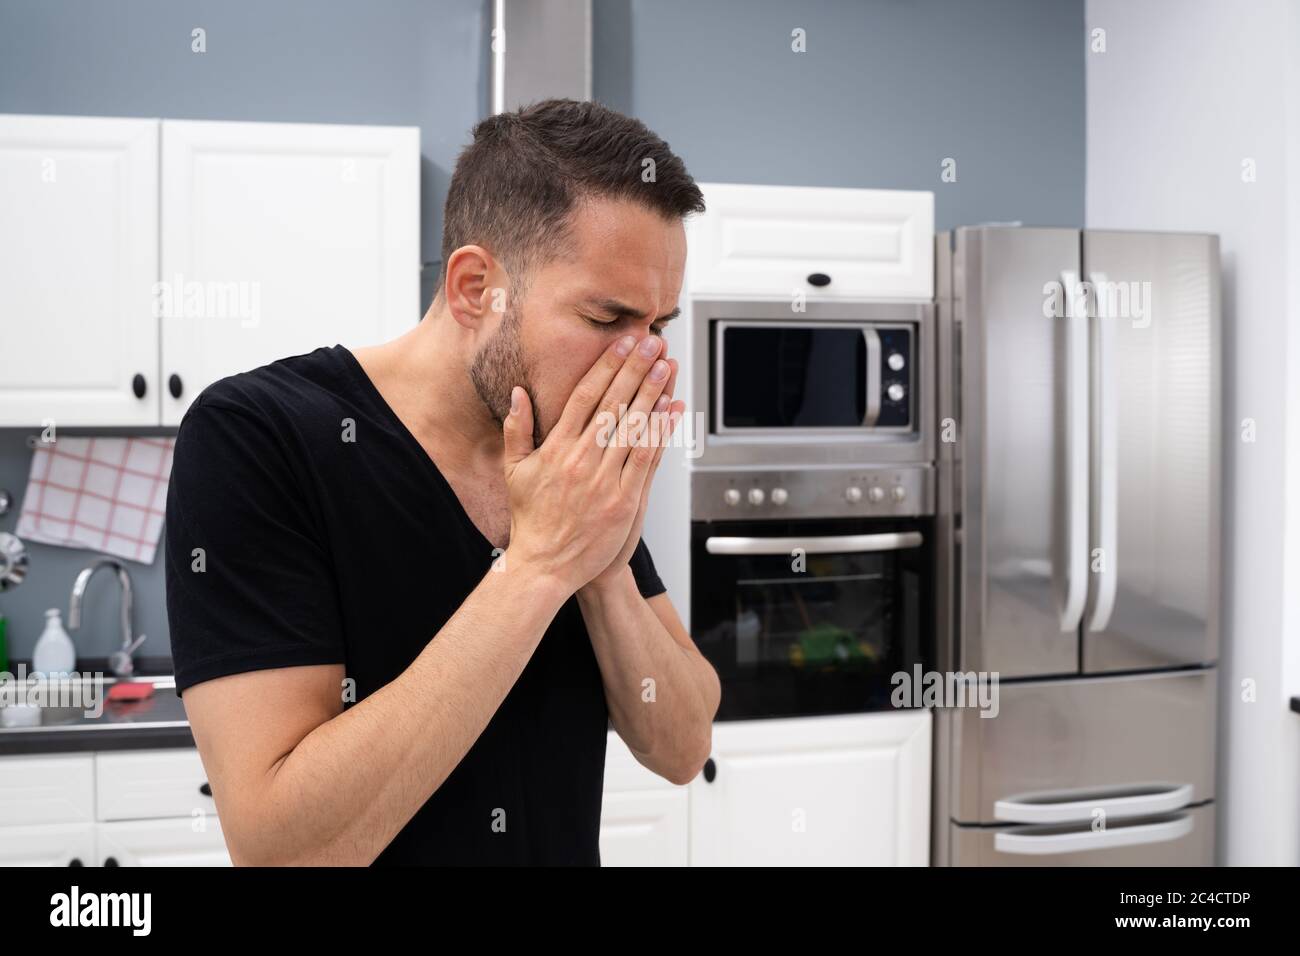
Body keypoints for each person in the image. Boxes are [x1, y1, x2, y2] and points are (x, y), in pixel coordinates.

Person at [165, 98, 721, 866]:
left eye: (658, 326)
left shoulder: (575, 466)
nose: (643, 366)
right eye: (606, 318)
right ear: (474, 289)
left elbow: (684, 746)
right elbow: (283, 849)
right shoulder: (259, 435)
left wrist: (604, 570)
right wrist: (539, 567)